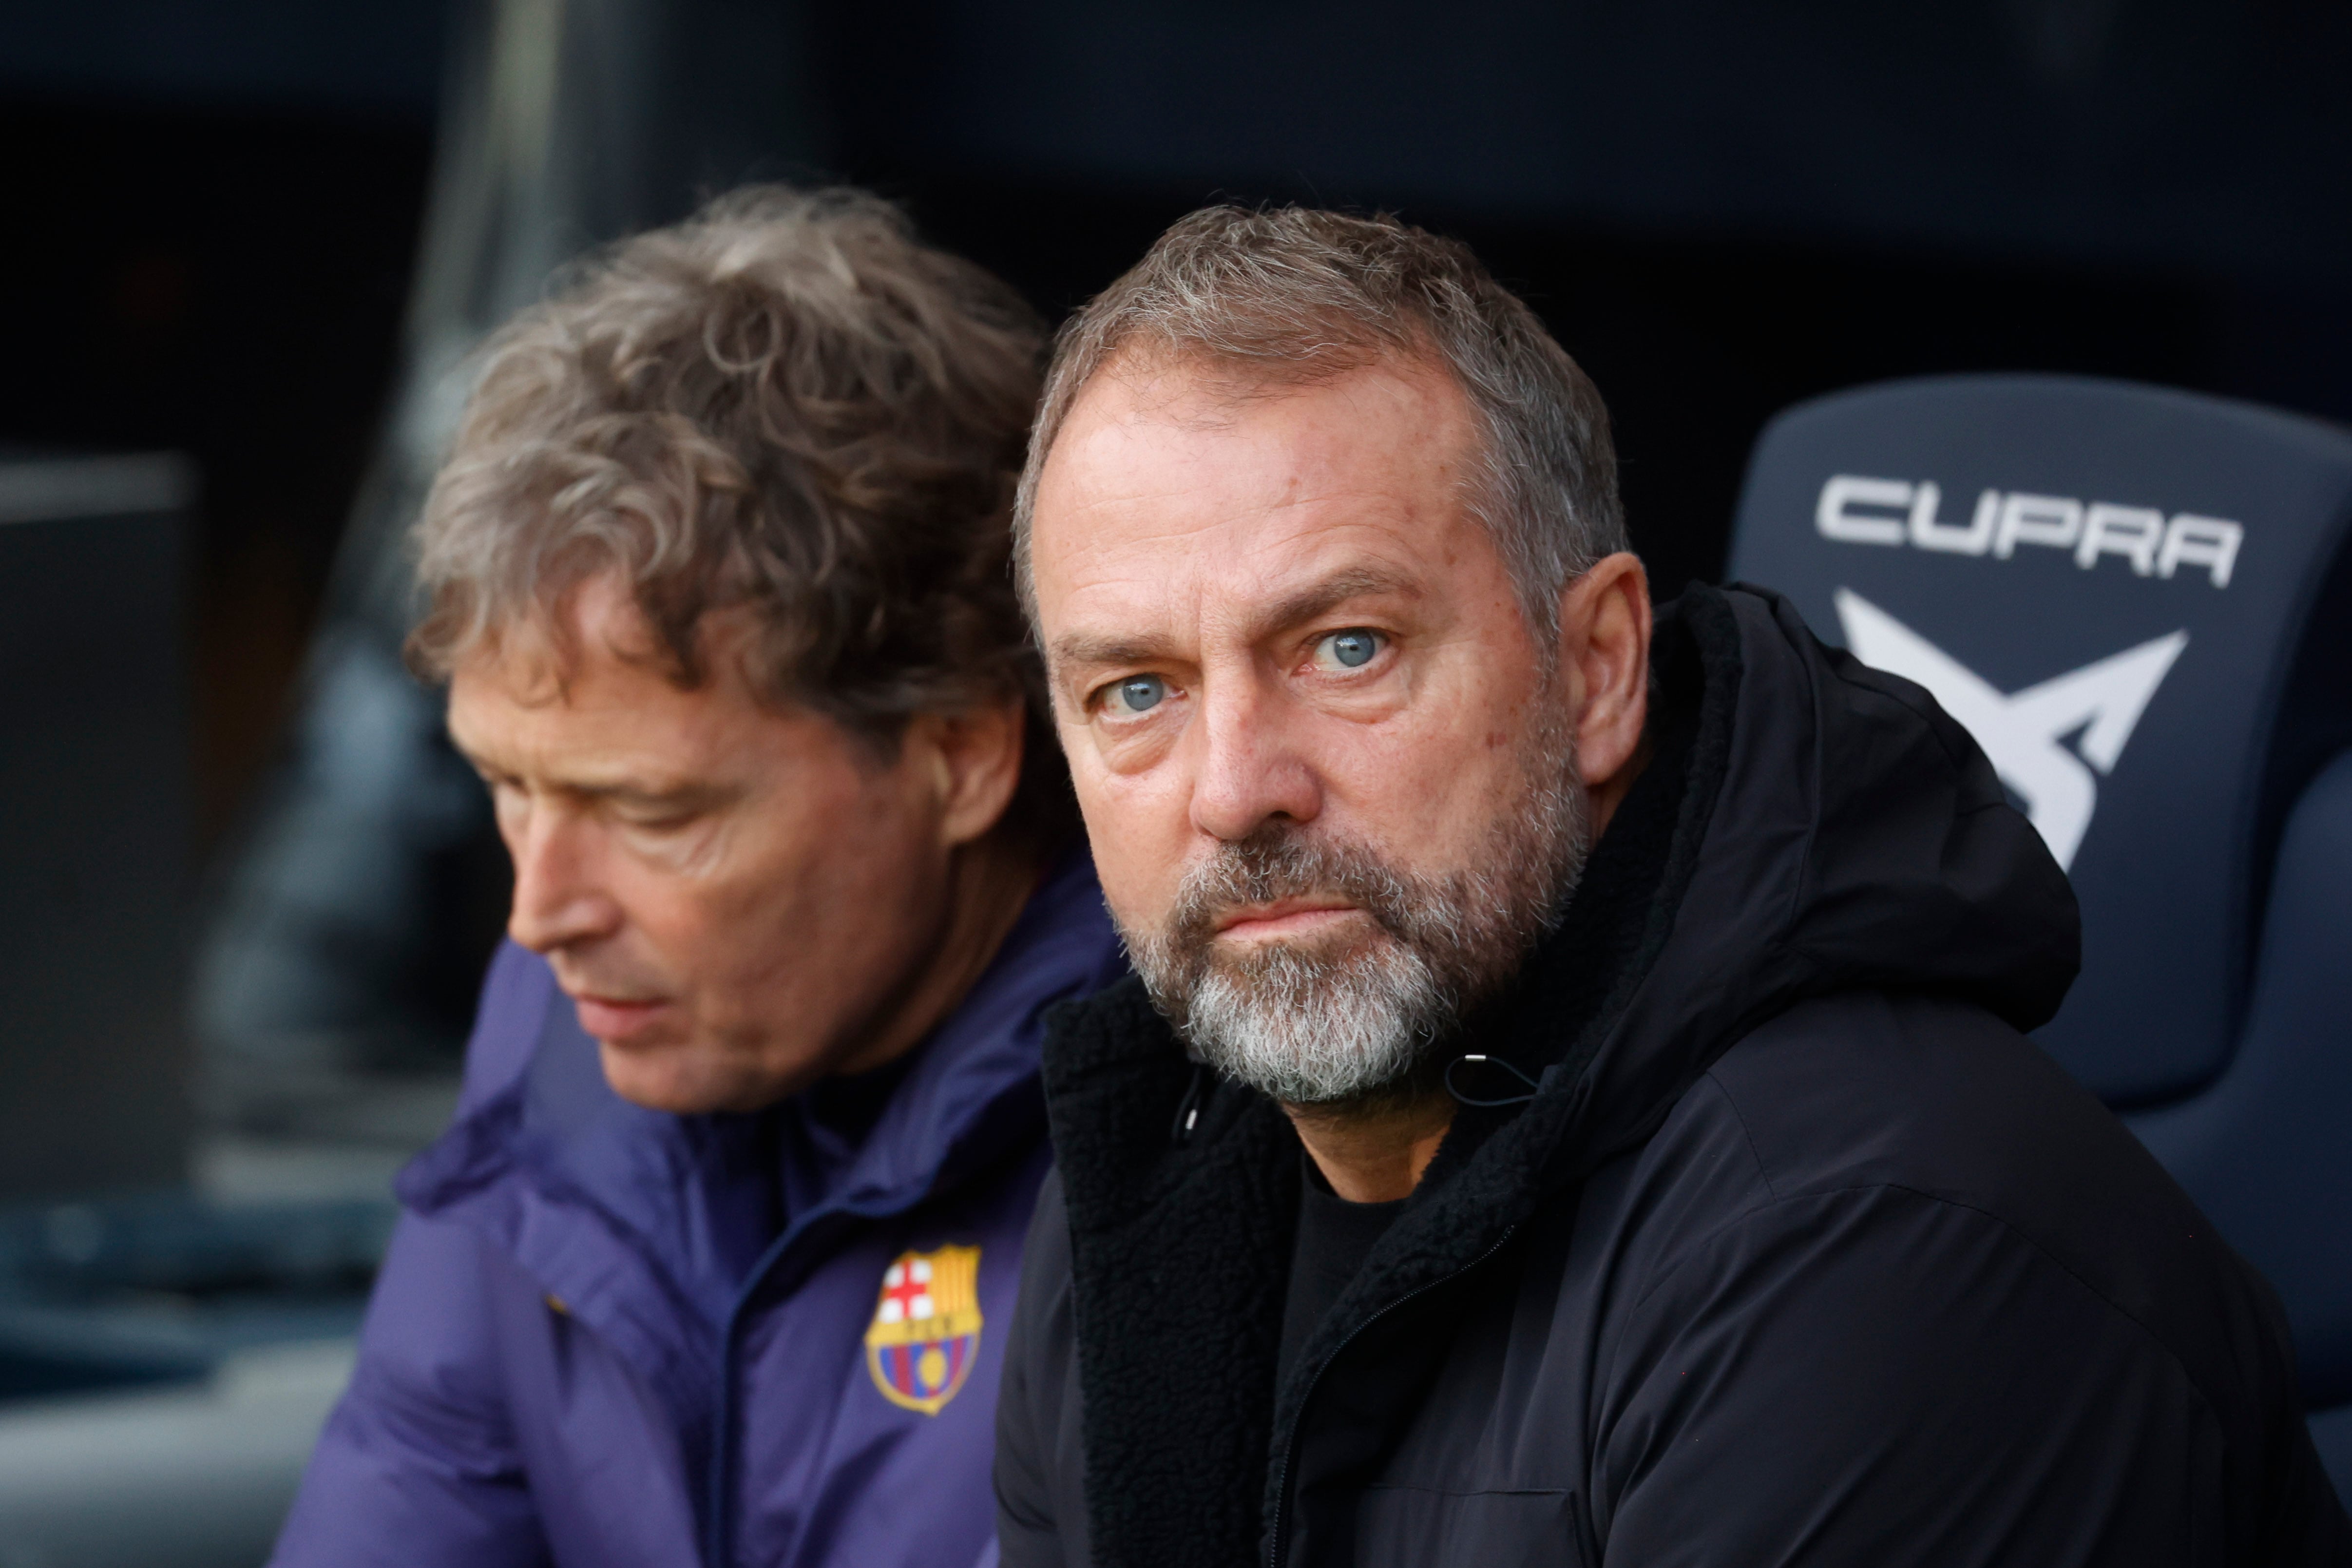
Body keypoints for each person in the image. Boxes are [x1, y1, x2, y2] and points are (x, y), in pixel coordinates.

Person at [993, 206, 2352, 1567]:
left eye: (1347, 646)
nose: (1234, 788)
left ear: (1595, 670)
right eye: (1136, 689)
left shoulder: (1875, 1247)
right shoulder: (1140, 1190)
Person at [270, 187, 1125, 1568]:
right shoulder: (560, 1037)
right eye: (510, 786)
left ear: (962, 749)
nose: (541, 914)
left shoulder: (1195, 1148)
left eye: (649, 810)